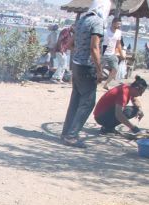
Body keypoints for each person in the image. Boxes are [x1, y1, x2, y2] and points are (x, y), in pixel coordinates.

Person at [59, 0, 107, 148]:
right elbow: (94, 48)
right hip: (87, 67)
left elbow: (69, 45)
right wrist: (99, 71)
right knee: (87, 102)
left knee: (75, 100)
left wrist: (79, 53)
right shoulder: (97, 22)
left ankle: (66, 133)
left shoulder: (81, 21)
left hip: (76, 65)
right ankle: (72, 136)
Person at [102, 17, 123, 90]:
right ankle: (95, 83)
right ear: (113, 23)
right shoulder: (105, 31)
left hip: (112, 53)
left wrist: (121, 53)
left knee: (115, 69)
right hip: (103, 53)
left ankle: (106, 84)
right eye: (118, 24)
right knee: (98, 69)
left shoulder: (119, 32)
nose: (119, 26)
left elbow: (118, 44)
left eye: (120, 24)